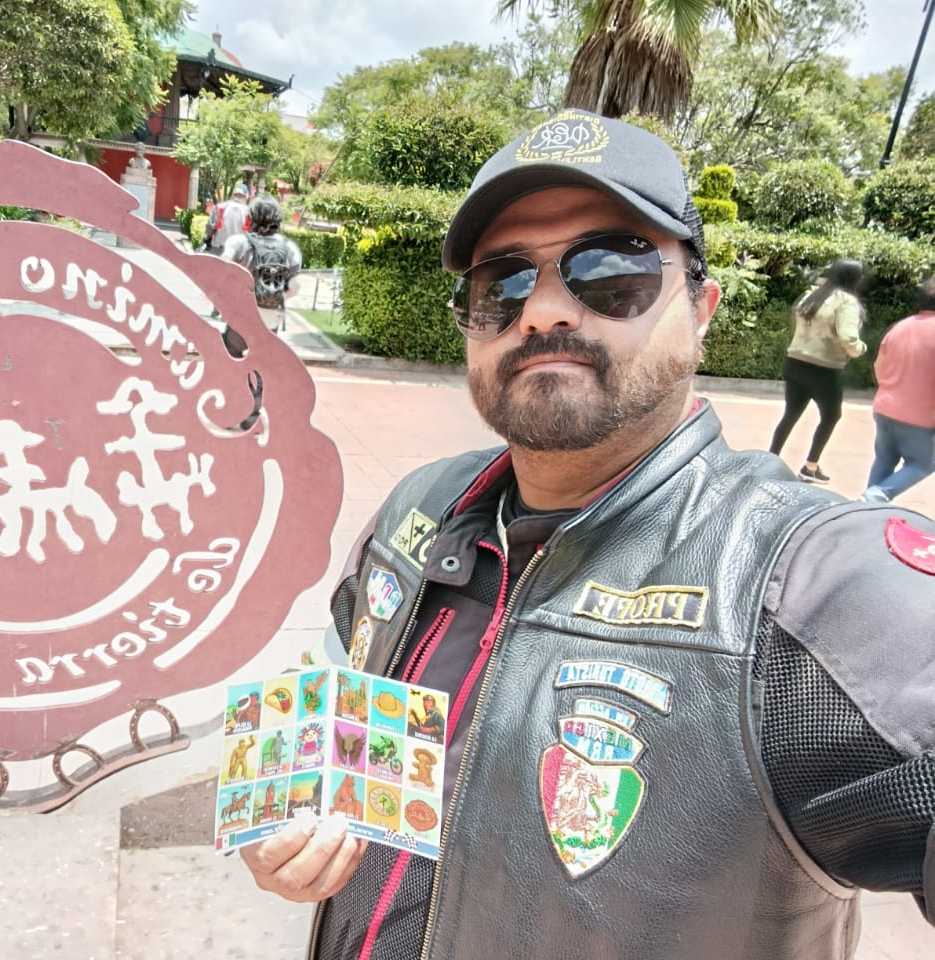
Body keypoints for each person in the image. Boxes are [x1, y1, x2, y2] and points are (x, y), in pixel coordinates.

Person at [238, 108, 935, 960]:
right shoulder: (419, 509)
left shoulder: (806, 585)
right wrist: (284, 820)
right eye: (501, 284)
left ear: (702, 307)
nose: (542, 311)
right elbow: (330, 699)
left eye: (609, 271)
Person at [769, 259, 868, 483]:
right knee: (831, 416)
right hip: (823, 369)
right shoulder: (847, 302)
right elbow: (848, 338)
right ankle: (810, 467)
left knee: (790, 414)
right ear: (854, 278)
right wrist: (860, 349)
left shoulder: (810, 295)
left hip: (794, 361)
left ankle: (770, 458)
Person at [861, 277, 935, 503]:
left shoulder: (900, 327)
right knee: (923, 463)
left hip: (885, 407)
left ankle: (866, 509)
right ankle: (876, 495)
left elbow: (879, 367)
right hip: (919, 416)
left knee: (884, 460)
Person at [221, 193, 302, 334]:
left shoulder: (238, 242)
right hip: (271, 320)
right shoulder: (290, 248)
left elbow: (220, 276)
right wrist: (274, 299)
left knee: (232, 347)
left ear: (251, 217)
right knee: (266, 348)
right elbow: (295, 288)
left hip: (240, 316)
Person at [204, 182, 250, 254]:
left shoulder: (220, 207)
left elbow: (209, 228)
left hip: (218, 250)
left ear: (233, 195)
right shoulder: (249, 212)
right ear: (246, 196)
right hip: (238, 253)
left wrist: (209, 236)